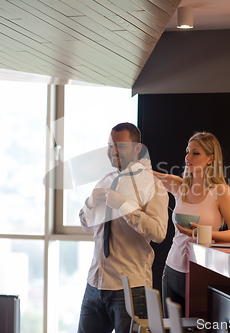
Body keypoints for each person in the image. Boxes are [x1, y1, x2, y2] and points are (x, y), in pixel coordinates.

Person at [78, 123, 169, 333]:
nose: (113, 152)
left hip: (132, 288)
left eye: (121, 146)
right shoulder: (104, 182)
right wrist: (89, 203)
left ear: (137, 148)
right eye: (110, 146)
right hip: (95, 283)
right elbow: (85, 224)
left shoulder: (153, 185)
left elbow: (159, 232)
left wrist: (123, 206)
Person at [146, 131, 230, 316]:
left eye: (195, 153)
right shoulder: (179, 186)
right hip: (171, 270)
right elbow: (148, 175)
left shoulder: (221, 191)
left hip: (200, 273)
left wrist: (205, 233)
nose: (188, 157)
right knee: (172, 329)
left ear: (210, 159)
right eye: (187, 151)